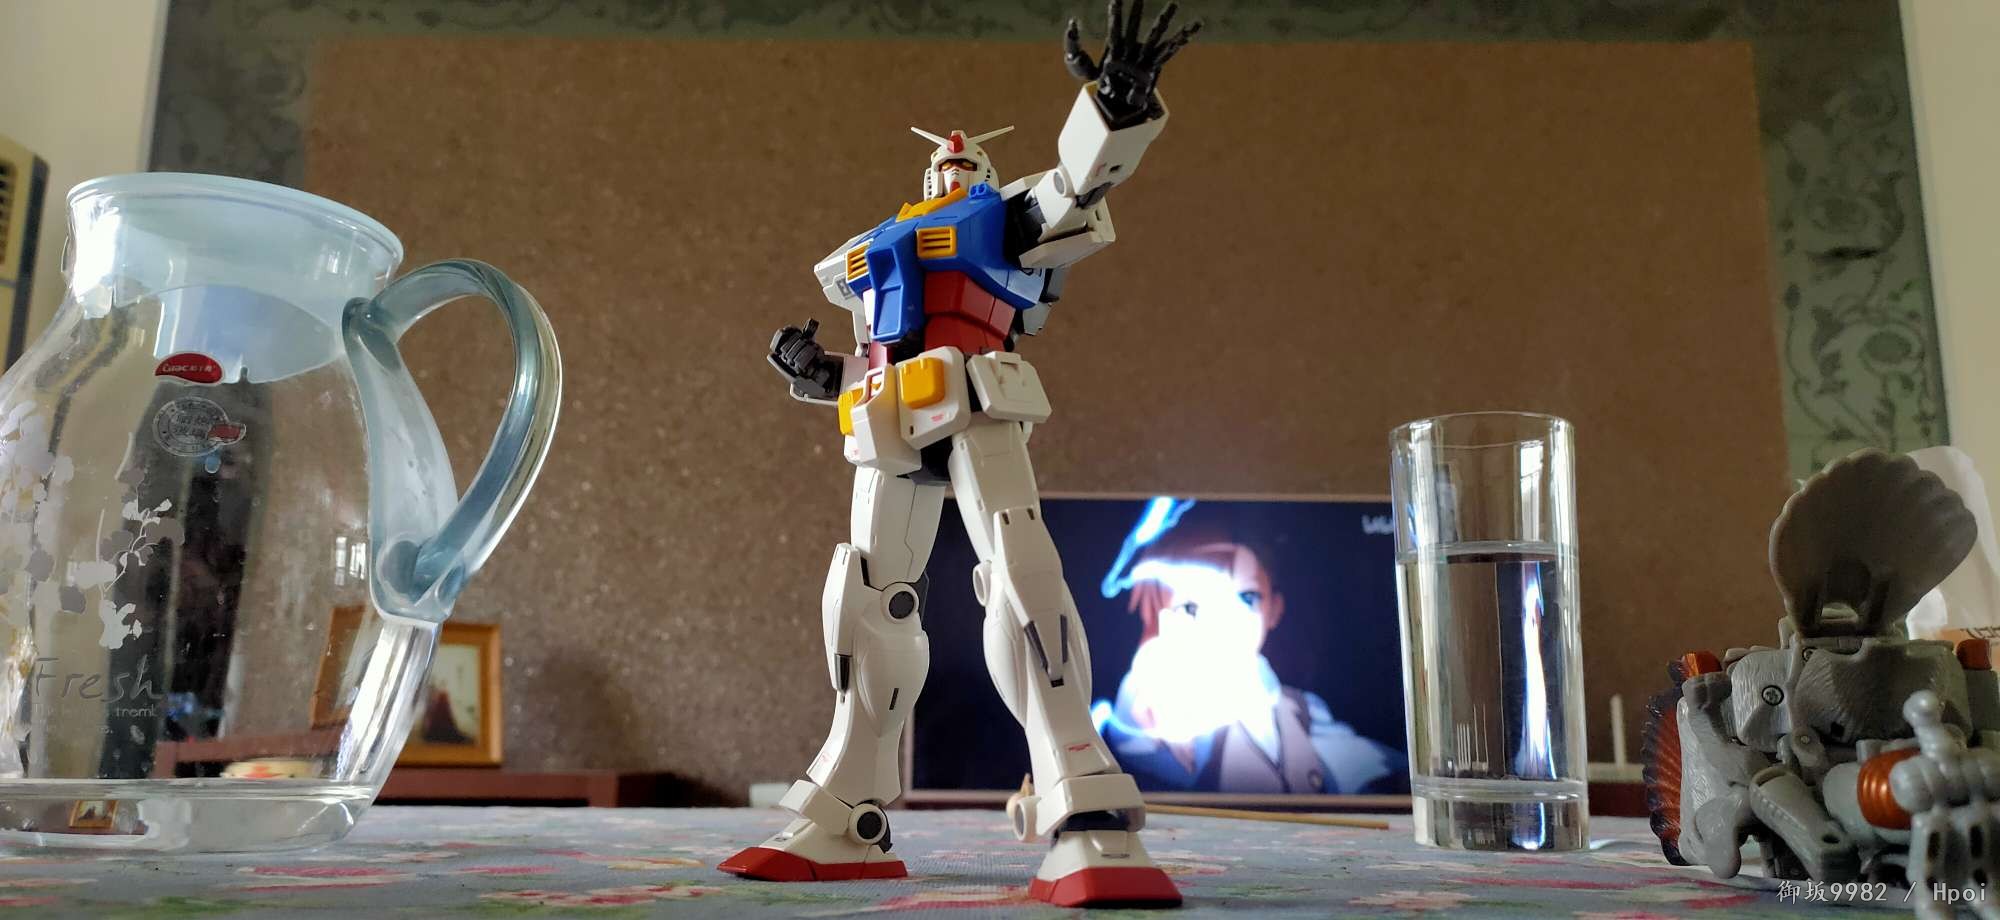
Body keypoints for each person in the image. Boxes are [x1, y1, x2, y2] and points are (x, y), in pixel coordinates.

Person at [1097, 502, 1401, 794]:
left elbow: (1362, 762)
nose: (1224, 621)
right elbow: (1135, 735)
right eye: (1191, 607)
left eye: (1247, 598)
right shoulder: (1157, 695)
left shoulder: (1298, 708)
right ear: (1158, 616)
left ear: (1275, 608)